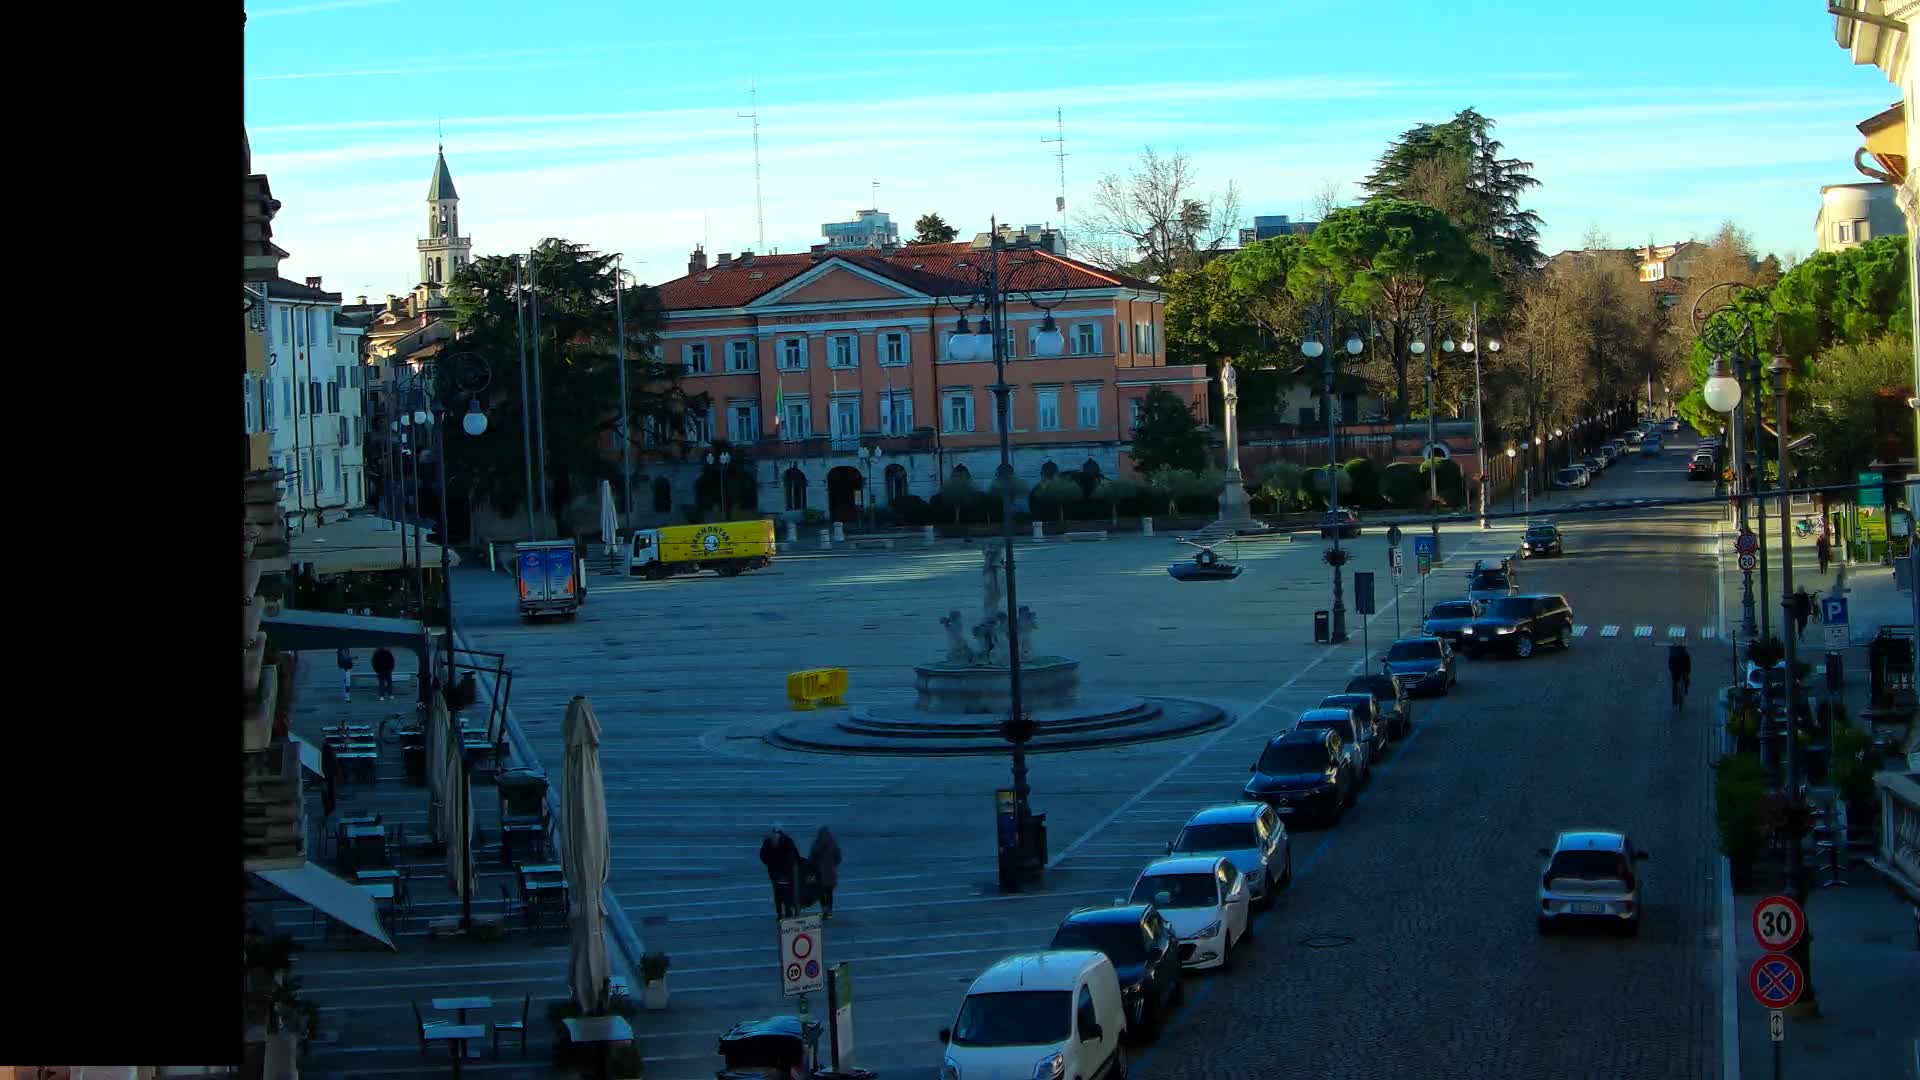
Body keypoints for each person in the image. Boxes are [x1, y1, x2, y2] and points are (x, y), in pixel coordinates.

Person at [758, 826, 800, 919]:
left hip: (774, 872)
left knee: (777, 891)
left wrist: (769, 864)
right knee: (786, 890)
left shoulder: (768, 841)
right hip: (786, 871)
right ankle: (788, 911)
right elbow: (795, 855)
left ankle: (779, 913)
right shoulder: (787, 840)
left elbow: (762, 855)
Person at [810, 826, 843, 919]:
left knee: (820, 893)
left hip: (819, 873)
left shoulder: (816, 844)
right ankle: (829, 911)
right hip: (830, 873)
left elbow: (811, 858)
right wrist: (833, 865)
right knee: (829, 893)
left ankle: (824, 909)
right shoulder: (833, 844)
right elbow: (838, 857)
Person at [1667, 643, 1692, 707]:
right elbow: (1688, 664)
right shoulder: (1685, 654)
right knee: (1686, 679)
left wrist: (1671, 670)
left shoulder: (1673, 654)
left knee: (1674, 684)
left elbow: (1670, 664)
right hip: (1683, 668)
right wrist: (1688, 671)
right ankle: (1685, 689)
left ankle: (1675, 701)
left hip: (1675, 670)